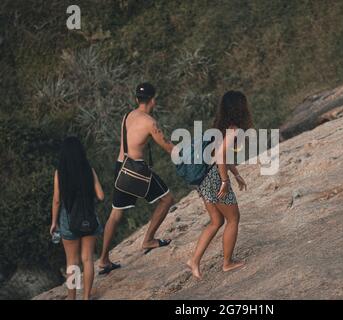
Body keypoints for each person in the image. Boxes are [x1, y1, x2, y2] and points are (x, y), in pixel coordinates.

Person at [98, 83, 175, 275]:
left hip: (121, 167)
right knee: (167, 200)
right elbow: (169, 148)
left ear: (136, 100)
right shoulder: (150, 122)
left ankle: (103, 259)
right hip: (136, 170)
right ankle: (148, 239)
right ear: (153, 100)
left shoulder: (127, 116)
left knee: (115, 215)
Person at [187, 91, 252, 279]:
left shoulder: (220, 126)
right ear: (240, 107)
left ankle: (194, 261)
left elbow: (220, 153)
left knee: (216, 221)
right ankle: (227, 263)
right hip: (216, 178)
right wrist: (225, 180)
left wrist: (236, 174)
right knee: (233, 219)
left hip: (204, 178)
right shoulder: (234, 130)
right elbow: (220, 156)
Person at [50, 137, 105, 300]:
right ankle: (86, 297)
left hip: (68, 220)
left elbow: (57, 200)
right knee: (87, 259)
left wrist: (54, 222)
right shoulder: (89, 169)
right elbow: (101, 196)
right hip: (88, 217)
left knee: (72, 263)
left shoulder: (60, 173)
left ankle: (72, 298)